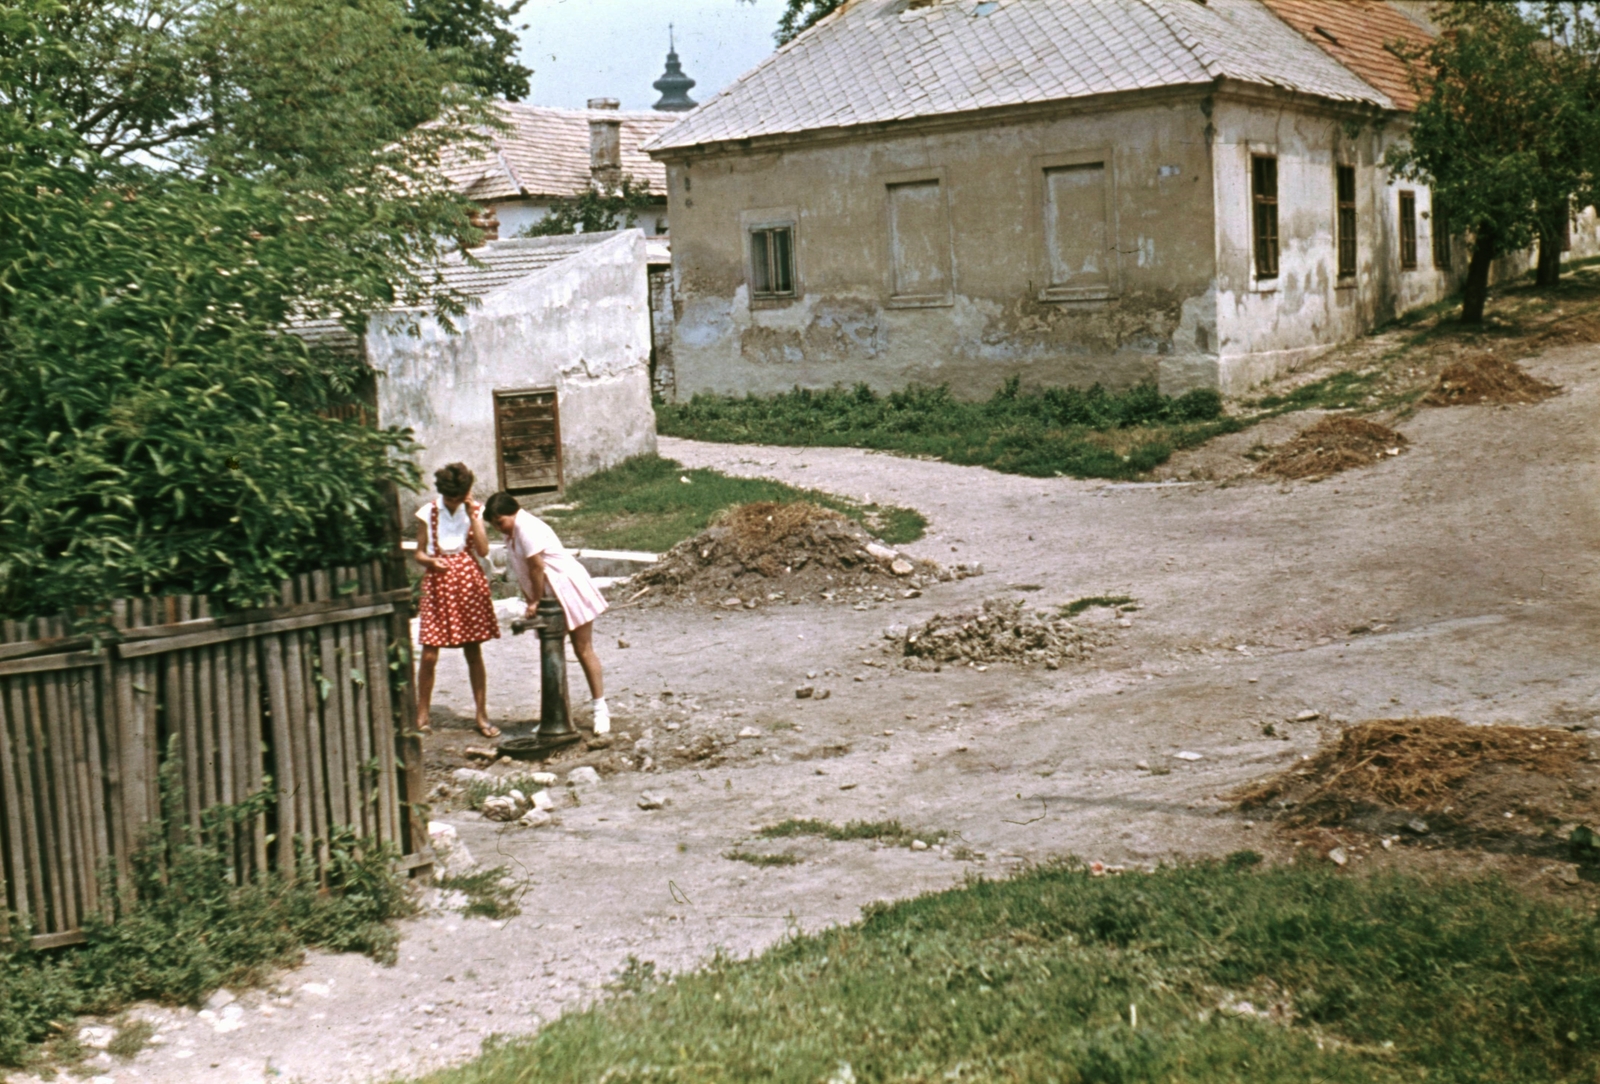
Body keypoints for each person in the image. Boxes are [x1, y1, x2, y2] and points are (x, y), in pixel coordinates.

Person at [484, 491, 611, 734]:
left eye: (500, 522)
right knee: (551, 651)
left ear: (513, 512)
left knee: (583, 649)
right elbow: (523, 572)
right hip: (550, 595)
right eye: (495, 525)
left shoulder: (527, 527)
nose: (499, 528)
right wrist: (533, 598)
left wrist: (535, 601)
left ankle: (600, 710)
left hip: (568, 586)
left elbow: (536, 567)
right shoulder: (512, 534)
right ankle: (555, 715)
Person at [414, 463, 500, 738]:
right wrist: (430, 560)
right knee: (429, 654)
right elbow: (418, 553)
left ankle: (481, 714)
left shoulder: (473, 510)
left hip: (467, 583)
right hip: (438, 583)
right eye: (450, 498)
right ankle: (422, 714)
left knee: (473, 651)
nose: (454, 502)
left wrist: (473, 512)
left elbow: (484, 549)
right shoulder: (427, 513)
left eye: (459, 497)